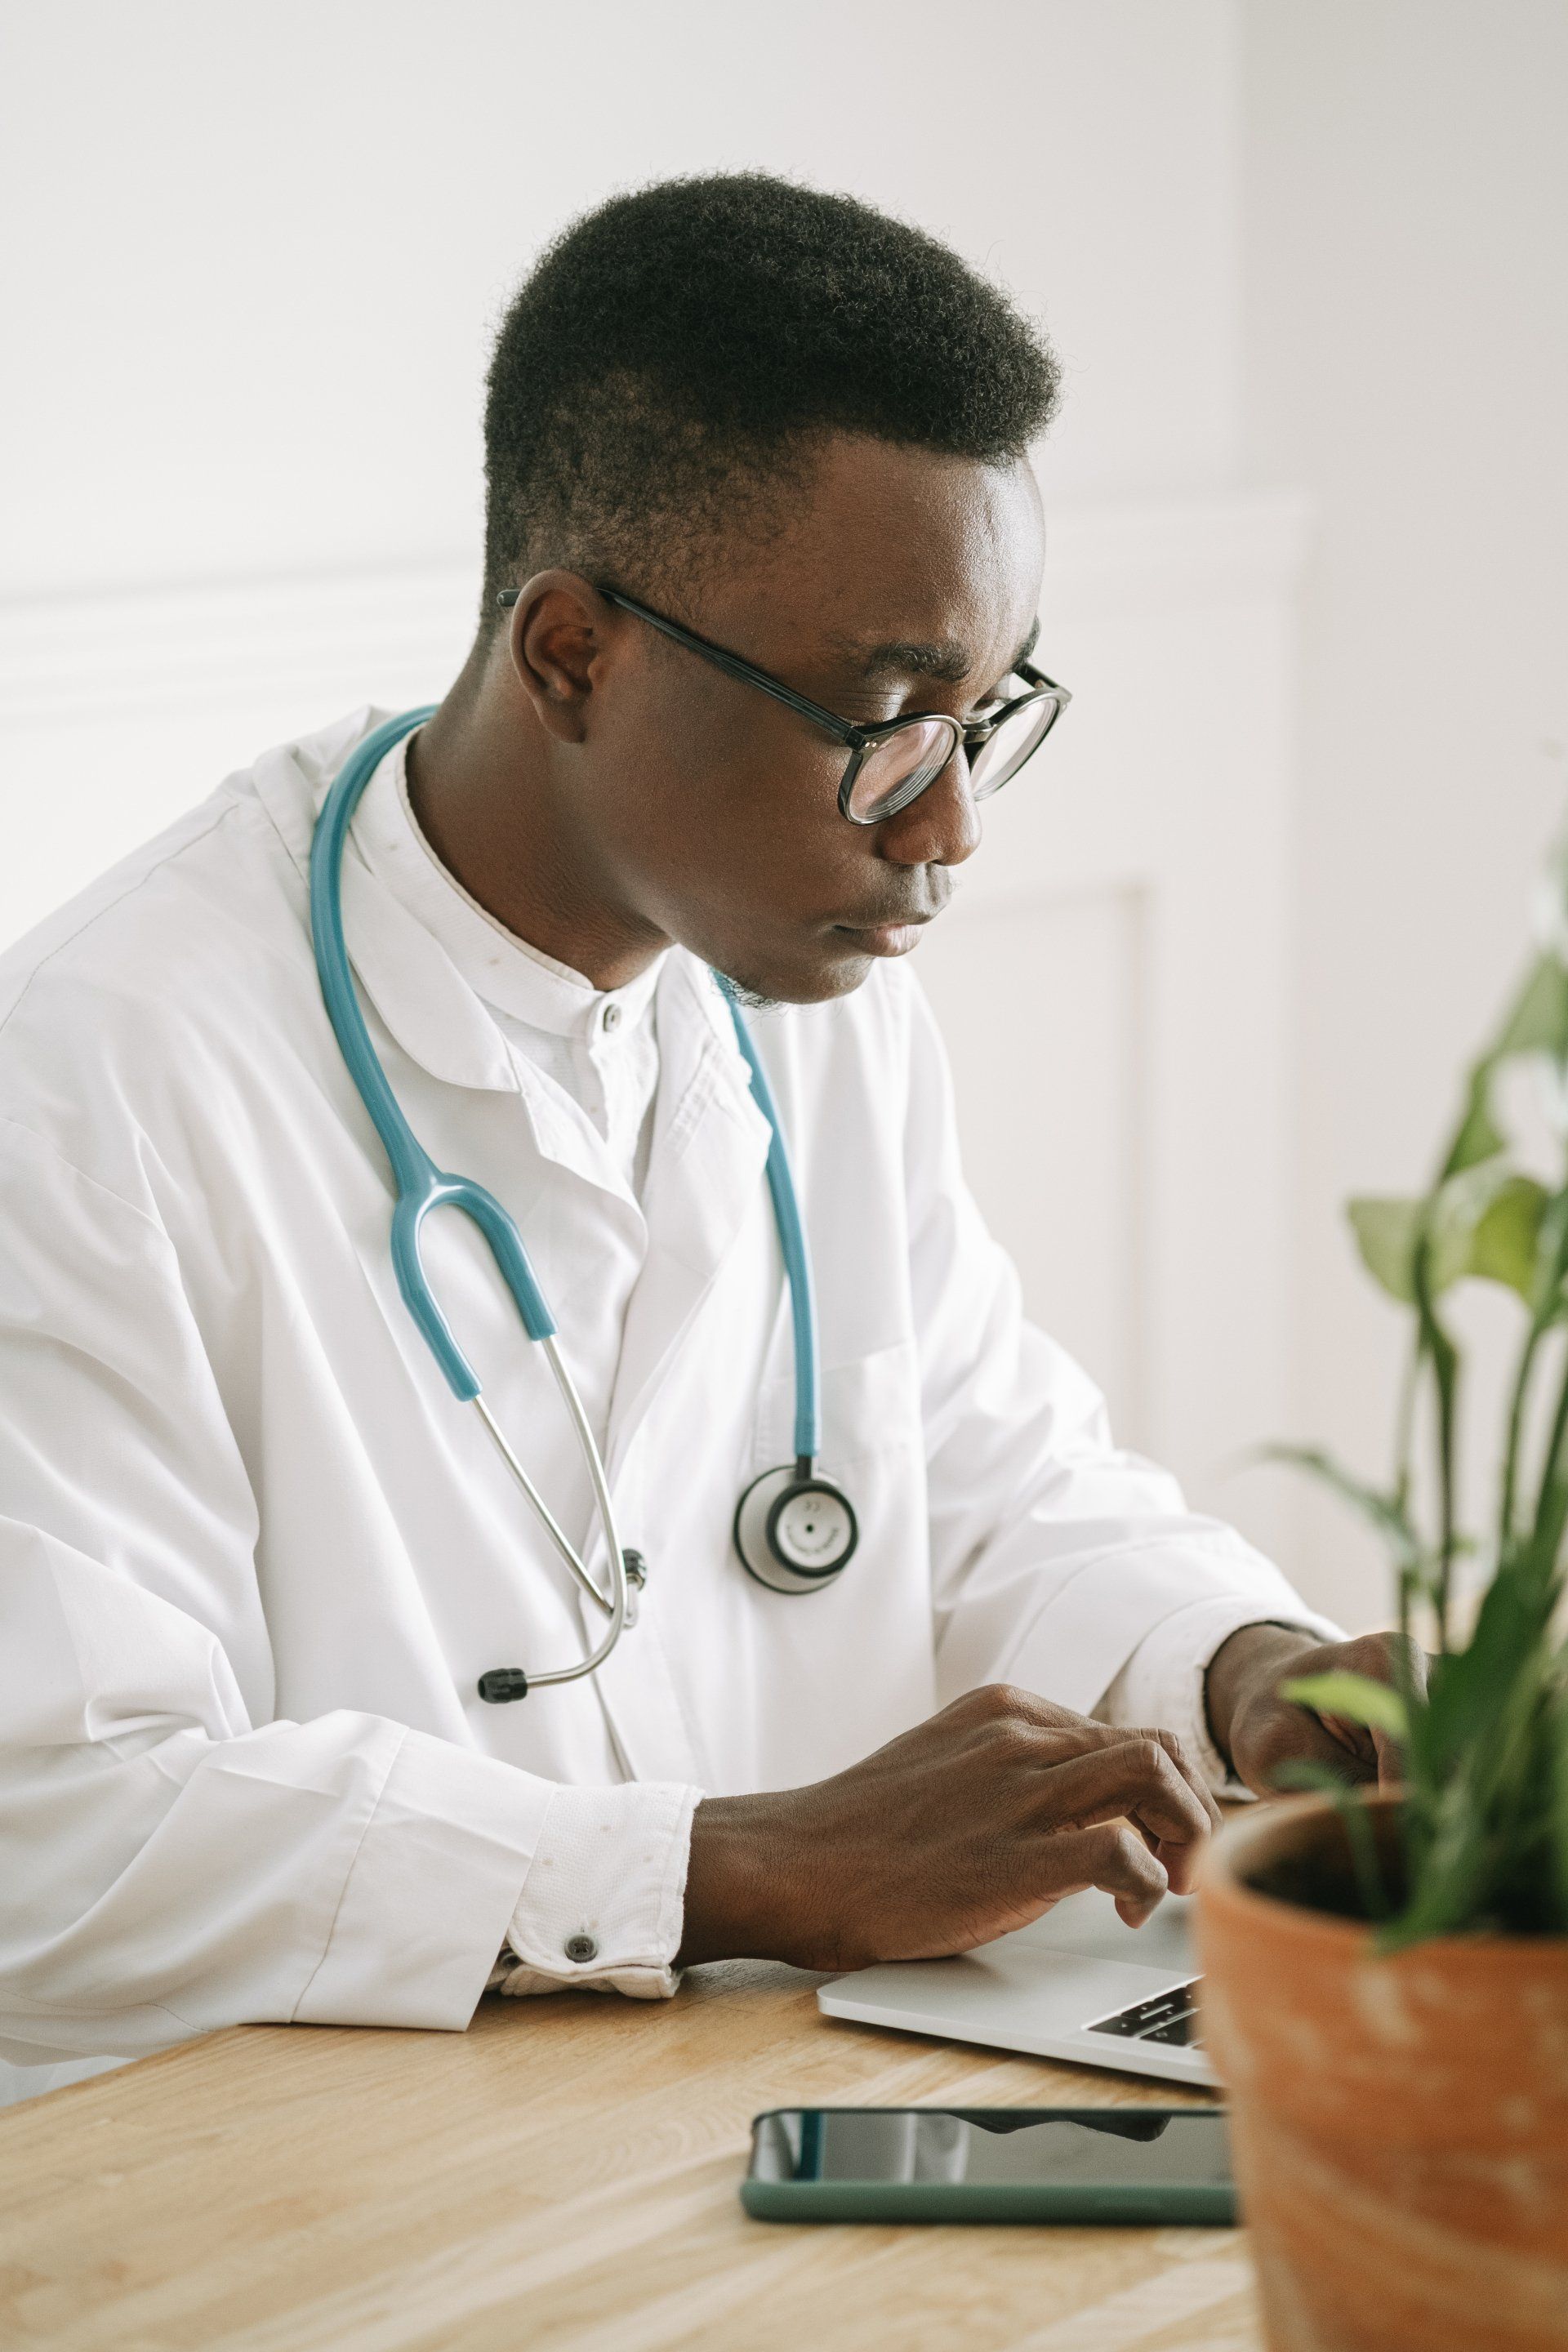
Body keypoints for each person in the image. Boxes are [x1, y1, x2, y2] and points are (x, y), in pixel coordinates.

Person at [0, 174, 1409, 2086]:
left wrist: (1244, 1666)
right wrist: (726, 1869)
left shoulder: (808, 1000)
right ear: (573, 652)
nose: (952, 829)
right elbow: (57, 1836)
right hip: (325, 2178)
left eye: (987, 716)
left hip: (742, 2109)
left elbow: (982, 1465)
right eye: (890, 716)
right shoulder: (98, 1080)